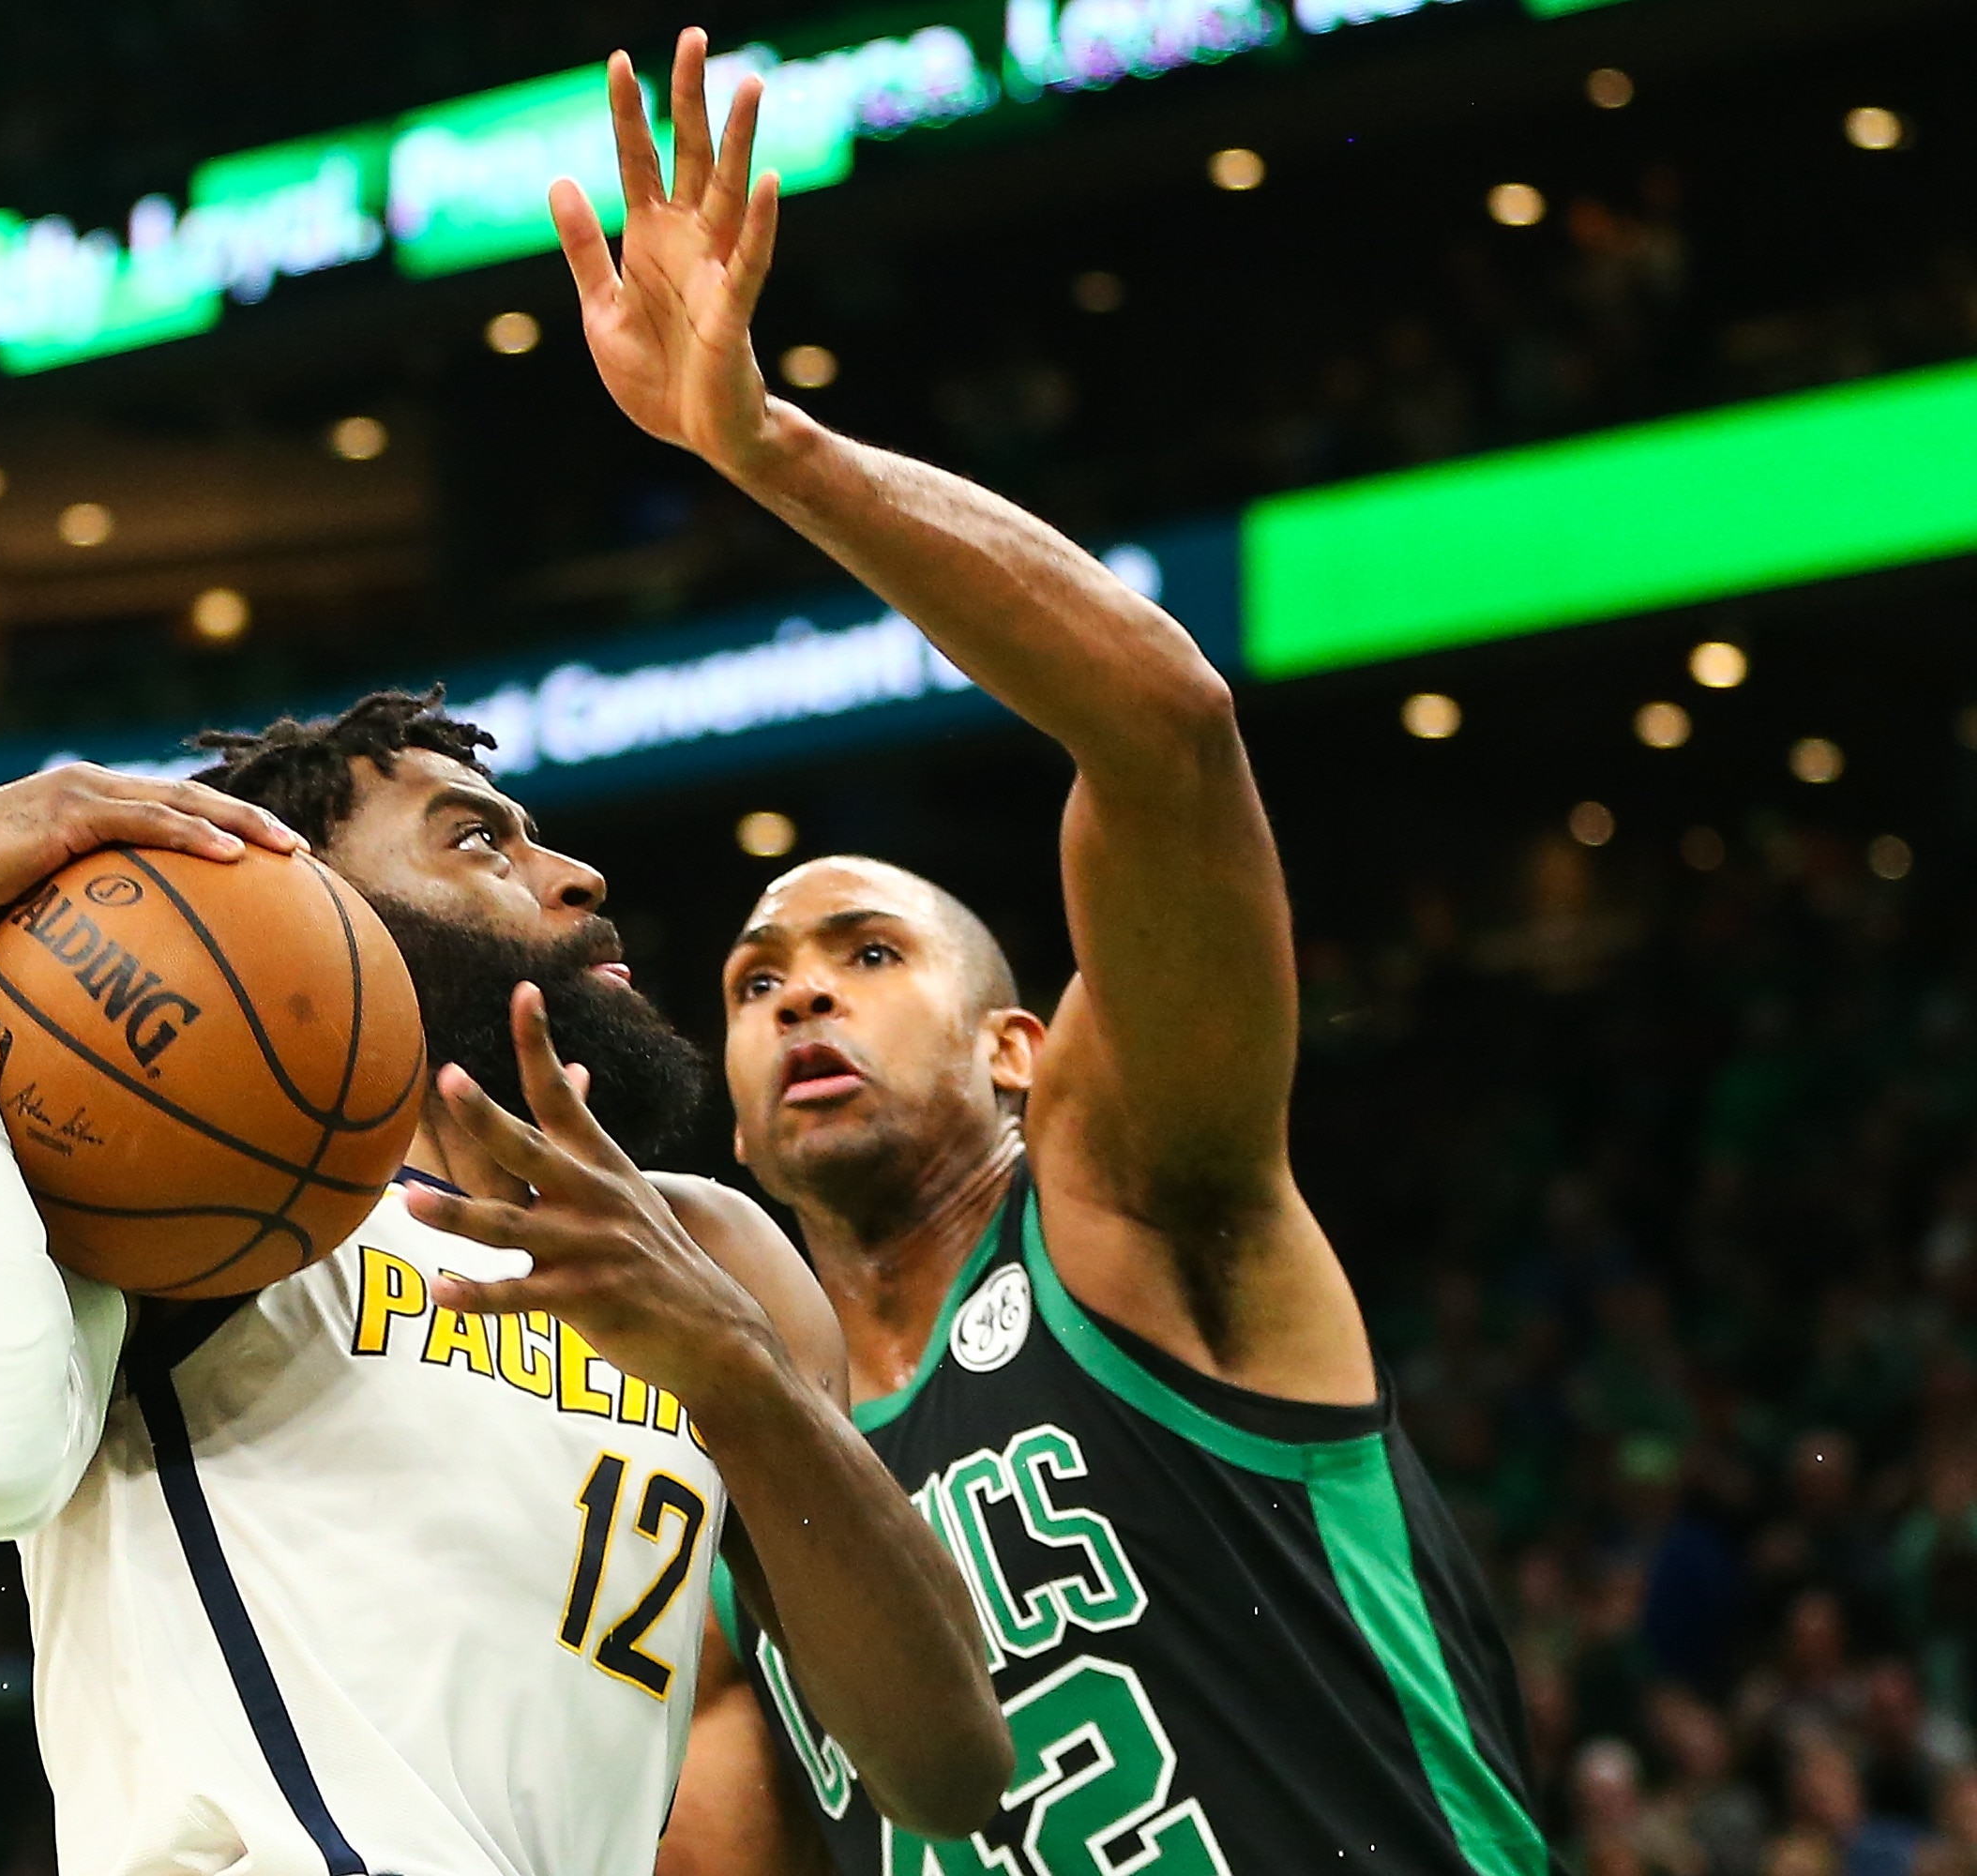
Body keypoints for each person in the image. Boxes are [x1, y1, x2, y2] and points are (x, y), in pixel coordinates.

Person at [0, 76, 1013, 1855]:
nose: (575, 867)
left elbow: (946, 1770)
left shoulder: (727, 1255)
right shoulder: (175, 1180)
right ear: (302, 917)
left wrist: (742, 1377)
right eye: (480, 838)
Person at [562, 31, 1549, 1876]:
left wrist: (766, 448)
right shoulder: (751, 1476)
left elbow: (1165, 736)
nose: (797, 999)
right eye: (760, 982)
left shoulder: (1121, 1205)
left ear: (1017, 1049)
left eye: (865, 952)